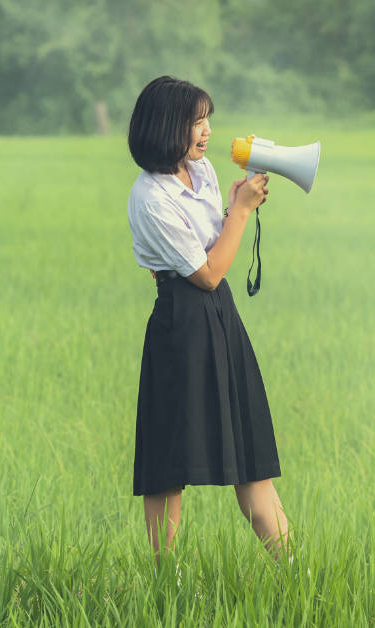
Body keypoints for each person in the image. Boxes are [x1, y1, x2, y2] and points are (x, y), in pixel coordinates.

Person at [126, 76, 290, 564]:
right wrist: (239, 213)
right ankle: (164, 577)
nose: (207, 131)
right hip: (182, 322)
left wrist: (235, 205)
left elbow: (216, 250)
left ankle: (296, 574)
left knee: (252, 456)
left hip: (221, 318)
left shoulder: (202, 173)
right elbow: (209, 272)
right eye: (196, 122)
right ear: (165, 127)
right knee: (168, 461)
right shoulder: (151, 198)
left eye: (207, 120)